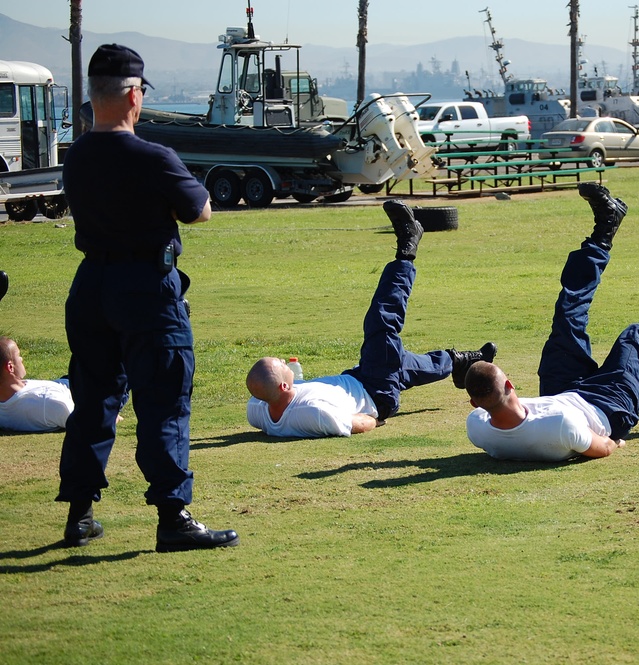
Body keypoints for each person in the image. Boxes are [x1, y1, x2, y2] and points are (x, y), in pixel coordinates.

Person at [57, 44, 238, 552]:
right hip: (146, 288)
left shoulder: (77, 156)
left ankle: (80, 512)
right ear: (134, 95)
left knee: (93, 400)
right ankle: (173, 517)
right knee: (163, 401)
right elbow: (199, 210)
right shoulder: (154, 156)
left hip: (91, 284)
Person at [463, 183, 639, 462]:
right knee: (636, 336)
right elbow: (603, 446)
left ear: (475, 403)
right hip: (605, 406)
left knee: (567, 315)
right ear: (509, 384)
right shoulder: (556, 427)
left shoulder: (477, 426)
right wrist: (616, 443)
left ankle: (605, 230)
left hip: (562, 394)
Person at [246, 200, 497, 439]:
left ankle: (459, 362)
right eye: (278, 364)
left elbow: (264, 401)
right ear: (283, 388)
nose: (281, 359)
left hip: (359, 378)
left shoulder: (257, 408)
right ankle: (407, 249)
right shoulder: (311, 414)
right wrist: (376, 418)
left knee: (399, 363)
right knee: (382, 324)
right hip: (375, 392)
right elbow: (361, 423)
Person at [1, 336, 74, 432]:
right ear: (10, 367)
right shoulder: (48, 402)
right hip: (78, 388)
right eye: (18, 355)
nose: (21, 359)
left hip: (63, 383)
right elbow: (85, 421)